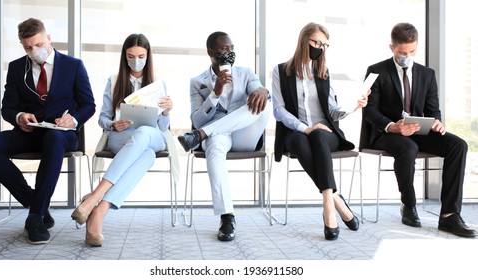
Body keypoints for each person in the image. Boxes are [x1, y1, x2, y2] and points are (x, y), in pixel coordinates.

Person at [0, 18, 95, 244]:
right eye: (28, 47)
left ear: (48, 38)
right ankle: (36, 203)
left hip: (63, 135)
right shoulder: (16, 67)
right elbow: (7, 108)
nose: (34, 51)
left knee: (54, 137)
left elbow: (89, 105)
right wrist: (19, 117)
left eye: (38, 45)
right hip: (29, 133)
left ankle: (35, 217)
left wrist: (74, 119)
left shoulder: (73, 65)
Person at [362, 22, 476, 237]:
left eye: (412, 51)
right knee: (407, 148)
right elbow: (369, 111)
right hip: (387, 133)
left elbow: (433, 110)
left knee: (458, 145)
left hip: (418, 131)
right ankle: (409, 204)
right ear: (392, 47)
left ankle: (449, 215)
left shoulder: (427, 74)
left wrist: (437, 122)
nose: (407, 56)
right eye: (402, 52)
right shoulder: (376, 71)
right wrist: (392, 126)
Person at [71, 33, 173, 247]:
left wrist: (166, 112)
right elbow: (103, 118)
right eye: (131, 55)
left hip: (152, 136)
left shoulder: (158, 82)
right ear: (124, 56)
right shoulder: (115, 80)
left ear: (148, 56)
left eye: (141, 56)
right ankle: (99, 212)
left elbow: (163, 128)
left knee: (144, 133)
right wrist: (112, 125)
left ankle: (93, 197)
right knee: (146, 156)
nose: (136, 60)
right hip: (122, 137)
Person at [272, 22, 367, 240]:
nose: (320, 48)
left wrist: (353, 106)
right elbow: (278, 111)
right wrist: (305, 128)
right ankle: (336, 201)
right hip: (298, 132)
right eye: (317, 42)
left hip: (327, 134)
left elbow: (332, 111)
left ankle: (327, 206)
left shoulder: (323, 72)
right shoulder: (281, 71)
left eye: (324, 45)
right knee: (298, 140)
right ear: (303, 40)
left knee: (316, 134)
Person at [178, 31, 270, 241]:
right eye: (224, 49)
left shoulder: (247, 73)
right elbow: (197, 119)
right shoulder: (197, 82)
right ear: (211, 52)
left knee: (265, 105)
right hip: (220, 135)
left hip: (245, 135)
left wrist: (263, 91)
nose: (229, 52)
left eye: (232, 48)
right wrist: (215, 93)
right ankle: (227, 216)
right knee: (215, 146)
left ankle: (199, 136)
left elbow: (259, 93)